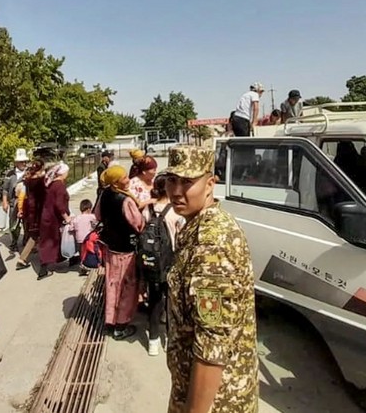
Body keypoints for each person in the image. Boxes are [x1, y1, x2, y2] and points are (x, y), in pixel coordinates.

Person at [162, 146, 258, 413]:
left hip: (216, 402)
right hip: (196, 390)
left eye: (187, 182)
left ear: (210, 184)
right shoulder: (197, 224)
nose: (176, 191)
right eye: (171, 180)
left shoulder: (211, 244)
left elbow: (211, 345)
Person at [96, 165, 144, 341]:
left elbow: (98, 215)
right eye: (124, 177)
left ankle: (110, 321)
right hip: (126, 250)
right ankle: (121, 325)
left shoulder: (105, 194)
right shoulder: (125, 200)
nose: (127, 179)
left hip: (111, 248)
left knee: (111, 284)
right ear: (117, 182)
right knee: (126, 286)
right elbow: (138, 224)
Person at [142, 174, 184, 356]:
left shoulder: (148, 208)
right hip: (170, 259)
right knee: (170, 298)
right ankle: (171, 338)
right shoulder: (175, 211)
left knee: (154, 298)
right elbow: (181, 236)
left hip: (151, 260)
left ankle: (153, 341)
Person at [37, 162, 72, 280]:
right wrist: (66, 217)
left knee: (50, 241)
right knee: (52, 241)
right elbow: (59, 204)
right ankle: (44, 268)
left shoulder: (52, 184)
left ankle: (54, 261)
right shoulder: (59, 185)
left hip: (47, 216)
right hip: (53, 218)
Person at [15, 160, 47, 271]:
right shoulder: (41, 181)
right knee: (46, 234)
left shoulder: (28, 180)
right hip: (40, 210)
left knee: (34, 235)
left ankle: (22, 258)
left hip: (31, 209)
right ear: (42, 167)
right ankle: (46, 261)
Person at [2, 148, 30, 251]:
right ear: (16, 162)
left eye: (25, 161)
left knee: (27, 223)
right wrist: (5, 201)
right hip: (14, 201)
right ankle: (14, 242)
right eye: (22, 161)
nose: (24, 163)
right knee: (13, 223)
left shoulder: (29, 172)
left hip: (26, 201)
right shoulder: (10, 174)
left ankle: (27, 241)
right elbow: (5, 189)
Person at [70, 199, 97, 272]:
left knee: (81, 253)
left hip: (79, 239)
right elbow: (96, 221)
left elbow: (71, 228)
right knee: (88, 252)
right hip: (87, 239)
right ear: (89, 209)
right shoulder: (90, 216)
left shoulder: (76, 218)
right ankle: (87, 265)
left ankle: (82, 266)